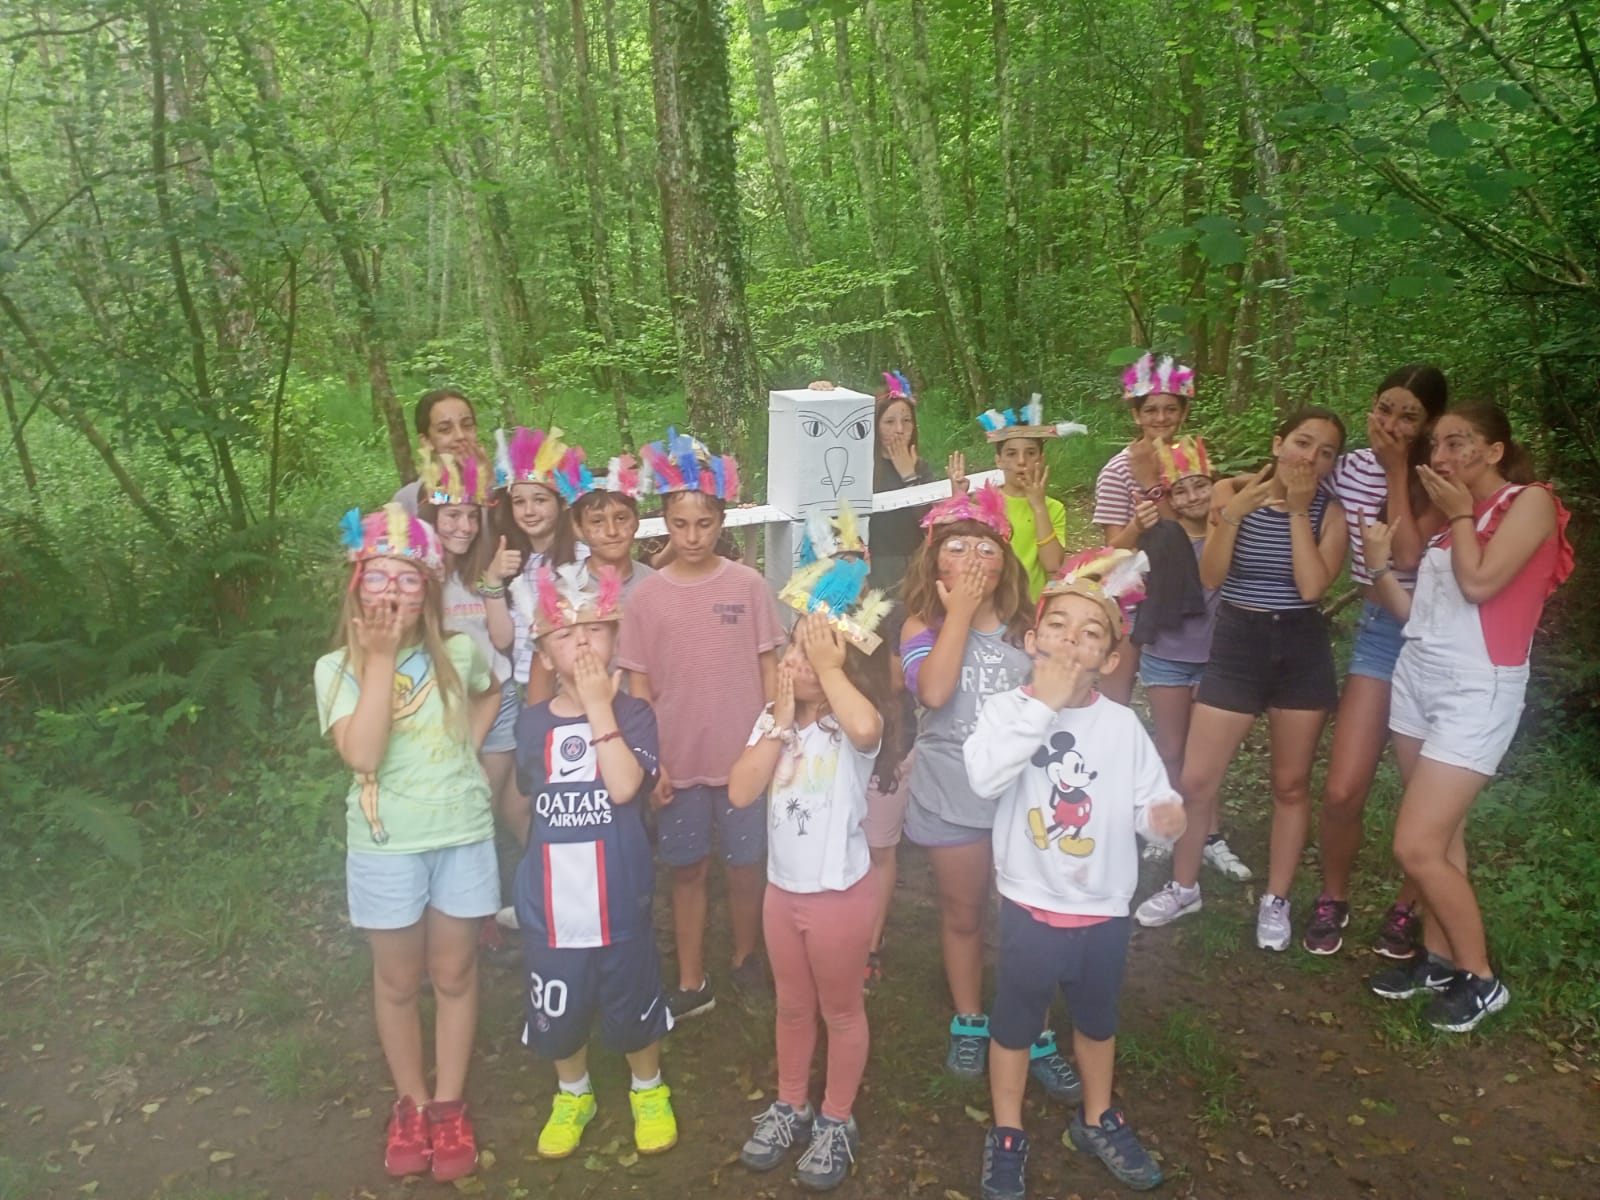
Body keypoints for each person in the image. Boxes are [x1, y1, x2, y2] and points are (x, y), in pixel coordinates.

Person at [966, 548, 1185, 1198]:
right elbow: (985, 778)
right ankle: (1008, 1130)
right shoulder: (1006, 711)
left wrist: (1163, 821)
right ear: (1032, 639)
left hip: (1104, 909)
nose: (1071, 639)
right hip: (1029, 904)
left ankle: (1097, 1116)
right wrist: (1046, 706)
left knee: (1096, 1019)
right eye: (1058, 626)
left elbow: (1150, 803)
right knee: (1015, 1020)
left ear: (1110, 660)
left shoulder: (1123, 727)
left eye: (1091, 633)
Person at [1364, 404, 1571, 1032]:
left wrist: (1458, 515)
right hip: (1418, 678)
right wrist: (1378, 564)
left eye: (1458, 443)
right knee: (1444, 836)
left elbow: (1480, 585)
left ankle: (1482, 979)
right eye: (1437, 445)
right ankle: (1438, 958)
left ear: (1495, 450)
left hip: (1477, 689)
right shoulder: (1450, 522)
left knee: (1416, 844)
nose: (1442, 456)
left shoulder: (1528, 502)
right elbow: (1416, 617)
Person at [314, 505, 502, 1183]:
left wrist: (466, 752)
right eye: (378, 576)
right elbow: (364, 753)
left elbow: (490, 693)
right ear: (355, 585)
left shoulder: (458, 654)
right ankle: (412, 1103)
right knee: (397, 982)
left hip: (461, 836)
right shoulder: (336, 669)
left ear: (429, 587)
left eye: (408, 577)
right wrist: (381, 659)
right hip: (386, 847)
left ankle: (448, 1104)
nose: (392, 591)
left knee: (454, 974)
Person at [1135, 408, 1347, 952]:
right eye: (1303, 442)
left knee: (1290, 784)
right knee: (1197, 780)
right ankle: (1184, 887)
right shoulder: (1232, 494)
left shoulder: (1330, 513)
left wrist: (1297, 512)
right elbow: (1211, 575)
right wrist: (1233, 515)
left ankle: (1276, 899)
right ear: (1278, 443)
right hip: (1236, 642)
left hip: (1299, 648)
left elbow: (1311, 588)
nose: (1311, 458)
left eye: (1326, 452)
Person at [731, 513, 896, 1188]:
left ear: (840, 662)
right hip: (783, 896)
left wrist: (829, 669)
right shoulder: (774, 723)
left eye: (810, 650)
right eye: (793, 649)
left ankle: (836, 1118)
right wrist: (776, 722)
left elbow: (867, 728)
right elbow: (742, 790)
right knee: (792, 1006)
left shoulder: (849, 724)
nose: (793, 661)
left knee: (841, 1009)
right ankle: (791, 1103)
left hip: (838, 899)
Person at [899, 485, 1077, 1099]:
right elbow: (934, 692)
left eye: (986, 547)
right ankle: (971, 1018)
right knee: (964, 912)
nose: (973, 557)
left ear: (1007, 560)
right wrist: (959, 614)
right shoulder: (921, 626)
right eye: (956, 546)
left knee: (1028, 920)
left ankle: (1036, 1028)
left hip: (1023, 801)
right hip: (950, 797)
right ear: (933, 561)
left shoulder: (1029, 630)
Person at [511, 564, 677, 1159]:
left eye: (594, 631)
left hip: (619, 897)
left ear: (615, 639)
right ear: (543, 654)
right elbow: (532, 797)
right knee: (558, 1008)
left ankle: (648, 1089)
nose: (581, 643)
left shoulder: (633, 714)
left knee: (633, 1002)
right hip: (552, 907)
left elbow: (626, 786)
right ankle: (573, 1092)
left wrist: (598, 708)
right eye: (564, 634)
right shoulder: (531, 725)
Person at [616, 430, 783, 1021]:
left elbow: (769, 668)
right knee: (686, 869)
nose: (692, 537)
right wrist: (649, 762)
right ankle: (691, 978)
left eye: (704, 524)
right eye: (680, 524)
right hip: (677, 762)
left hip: (743, 760)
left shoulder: (749, 586)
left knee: (746, 864)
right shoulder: (645, 599)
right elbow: (638, 686)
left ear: (722, 521)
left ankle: (746, 958)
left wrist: (773, 741)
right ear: (663, 521)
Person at [1299, 365, 1449, 956]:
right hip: (1382, 631)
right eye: (1385, 408)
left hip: (1439, 639)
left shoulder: (1441, 473)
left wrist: (1396, 470)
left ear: (1429, 424)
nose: (1392, 424)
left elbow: (1406, 553)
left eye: (1409, 416)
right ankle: (1333, 896)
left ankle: (1409, 905)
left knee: (1425, 795)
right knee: (1342, 790)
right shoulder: (1350, 467)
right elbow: (1293, 473)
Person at [1123, 437, 1250, 883]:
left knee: (1204, 758)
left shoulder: (1231, 529)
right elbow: (1116, 562)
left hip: (1217, 658)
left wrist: (1229, 486)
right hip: (1168, 657)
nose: (1193, 496)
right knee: (1171, 749)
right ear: (1169, 498)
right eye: (1181, 490)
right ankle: (1167, 827)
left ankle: (1210, 836)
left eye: (1201, 485)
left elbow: (1264, 480)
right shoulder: (1160, 537)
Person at [417, 449, 522, 945]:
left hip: (495, 703)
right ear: (431, 516)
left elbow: (502, 640)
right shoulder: (418, 575)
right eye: (451, 515)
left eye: (470, 515)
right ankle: (445, 911)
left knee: (484, 806)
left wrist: (493, 583)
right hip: (439, 714)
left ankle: (485, 914)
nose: (462, 526)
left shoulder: (483, 570)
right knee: (459, 809)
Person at [1093, 354, 1196, 703]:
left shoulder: (1190, 462)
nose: (1161, 418)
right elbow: (1113, 552)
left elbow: (1192, 537)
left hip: (1180, 594)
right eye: (1151, 410)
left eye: (1170, 409)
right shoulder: (1117, 470)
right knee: (1114, 697)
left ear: (1183, 412)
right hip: (1133, 598)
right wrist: (1138, 525)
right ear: (1136, 415)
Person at [481, 426, 589, 727]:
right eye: (519, 501)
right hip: (518, 691)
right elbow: (502, 639)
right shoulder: (509, 560)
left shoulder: (582, 560)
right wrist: (493, 579)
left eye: (540, 500)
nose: (529, 511)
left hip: (568, 688)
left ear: (562, 502)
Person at [975, 396, 1085, 602]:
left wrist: (1038, 506)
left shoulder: (1053, 508)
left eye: (1030, 453)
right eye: (1011, 454)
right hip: (991, 608)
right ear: (999, 460)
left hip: (1033, 607)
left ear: (1041, 459)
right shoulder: (983, 504)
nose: (1021, 461)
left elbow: (1053, 565)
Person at [869, 370, 935, 593]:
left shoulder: (921, 467)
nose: (899, 430)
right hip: (875, 566)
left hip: (915, 564)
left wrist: (909, 476)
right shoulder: (863, 468)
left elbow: (929, 523)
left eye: (906, 421)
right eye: (889, 422)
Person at [393, 389, 483, 514]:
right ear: (426, 441)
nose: (460, 435)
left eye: (467, 425)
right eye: (445, 429)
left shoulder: (499, 490)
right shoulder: (408, 500)